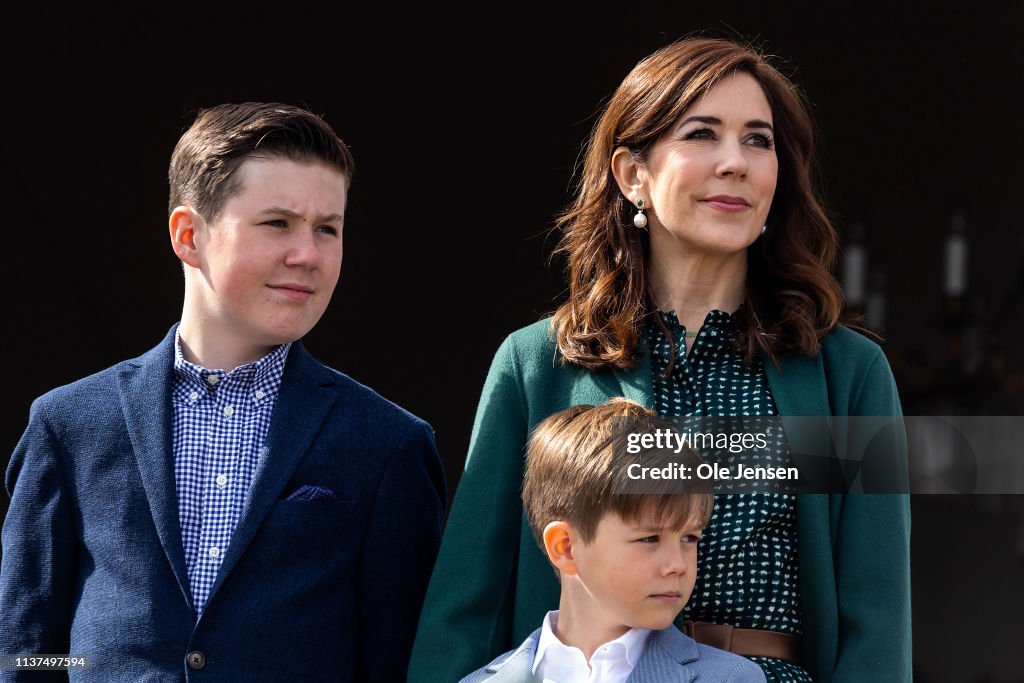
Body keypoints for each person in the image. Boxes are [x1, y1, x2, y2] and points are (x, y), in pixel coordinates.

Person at [410, 36, 910, 682]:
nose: (736, 162)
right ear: (631, 173)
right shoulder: (534, 365)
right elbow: (464, 610)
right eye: (703, 134)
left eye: (758, 141)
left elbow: (879, 622)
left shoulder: (851, 375)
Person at [0, 102, 446, 681]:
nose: (307, 253)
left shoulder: (389, 444)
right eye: (277, 223)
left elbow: (393, 662)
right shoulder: (70, 424)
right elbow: (26, 651)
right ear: (189, 235)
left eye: (327, 229)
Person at [459, 399, 765, 682]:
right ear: (565, 547)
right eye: (649, 538)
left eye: (689, 537)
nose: (678, 565)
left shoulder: (733, 678)